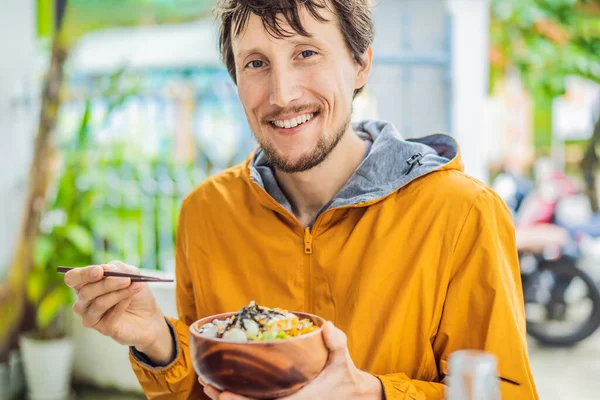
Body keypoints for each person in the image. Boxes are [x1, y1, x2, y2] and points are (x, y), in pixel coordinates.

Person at [63, 0, 539, 399]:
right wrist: (158, 341)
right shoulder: (205, 213)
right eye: (255, 62)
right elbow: (207, 389)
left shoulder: (462, 212)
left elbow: (504, 390)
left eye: (306, 52)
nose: (282, 93)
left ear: (360, 63)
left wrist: (371, 392)